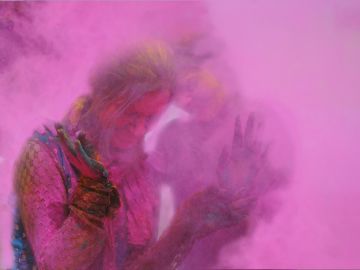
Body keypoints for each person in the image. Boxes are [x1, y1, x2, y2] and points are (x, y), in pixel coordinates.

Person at [13, 42, 266, 270]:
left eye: (150, 118)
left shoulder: (139, 173)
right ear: (103, 94)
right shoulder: (47, 156)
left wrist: (189, 221)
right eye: (131, 114)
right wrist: (91, 198)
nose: (140, 130)